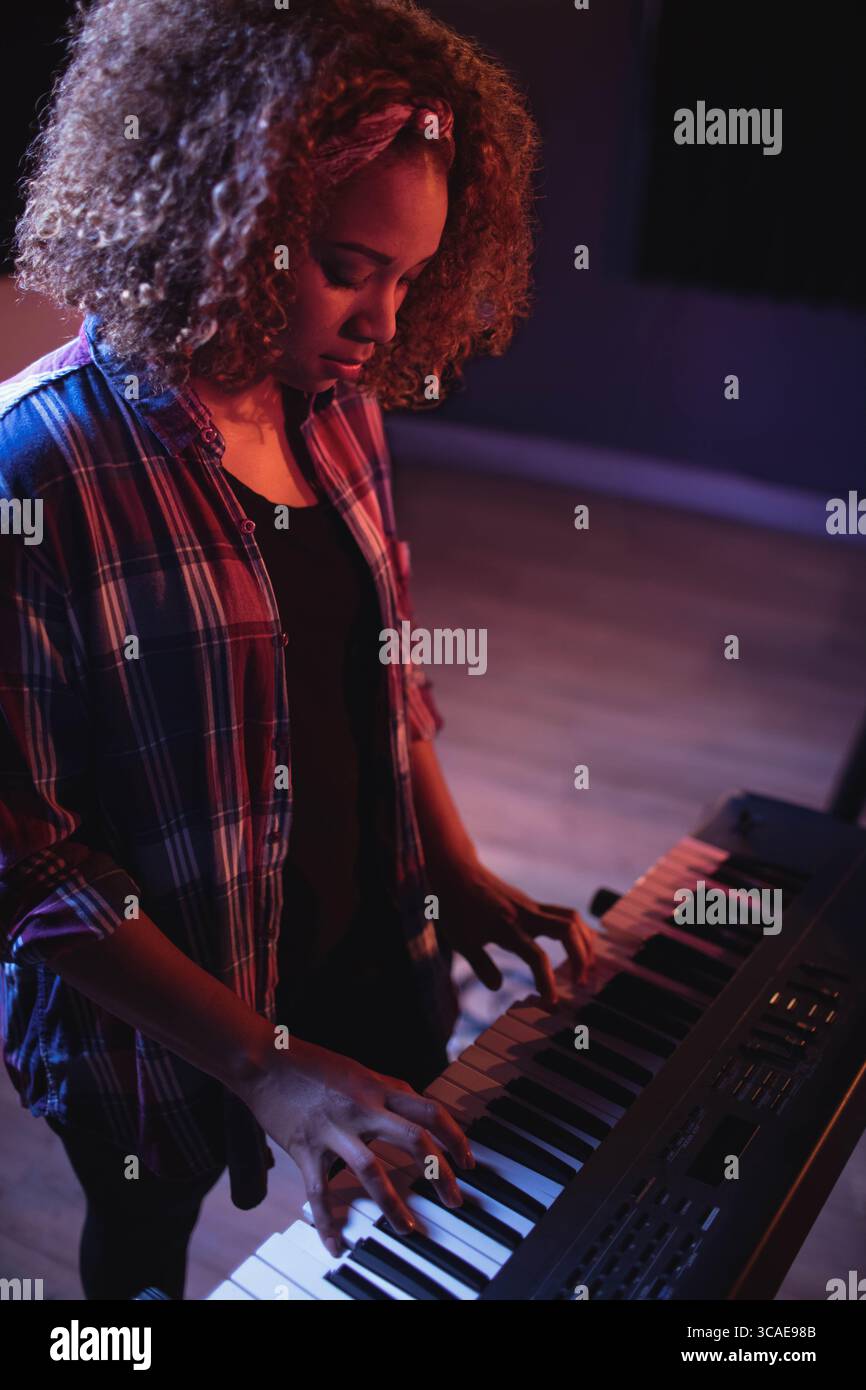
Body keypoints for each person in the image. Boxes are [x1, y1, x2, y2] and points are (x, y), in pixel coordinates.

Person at [0, 0, 594, 1300]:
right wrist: (265, 1065)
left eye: (409, 275)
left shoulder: (337, 411)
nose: (385, 321)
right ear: (219, 212)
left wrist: (453, 860)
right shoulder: (36, 472)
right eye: (345, 263)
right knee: (140, 1251)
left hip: (367, 940)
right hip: (164, 1027)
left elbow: (382, 684)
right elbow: (25, 862)